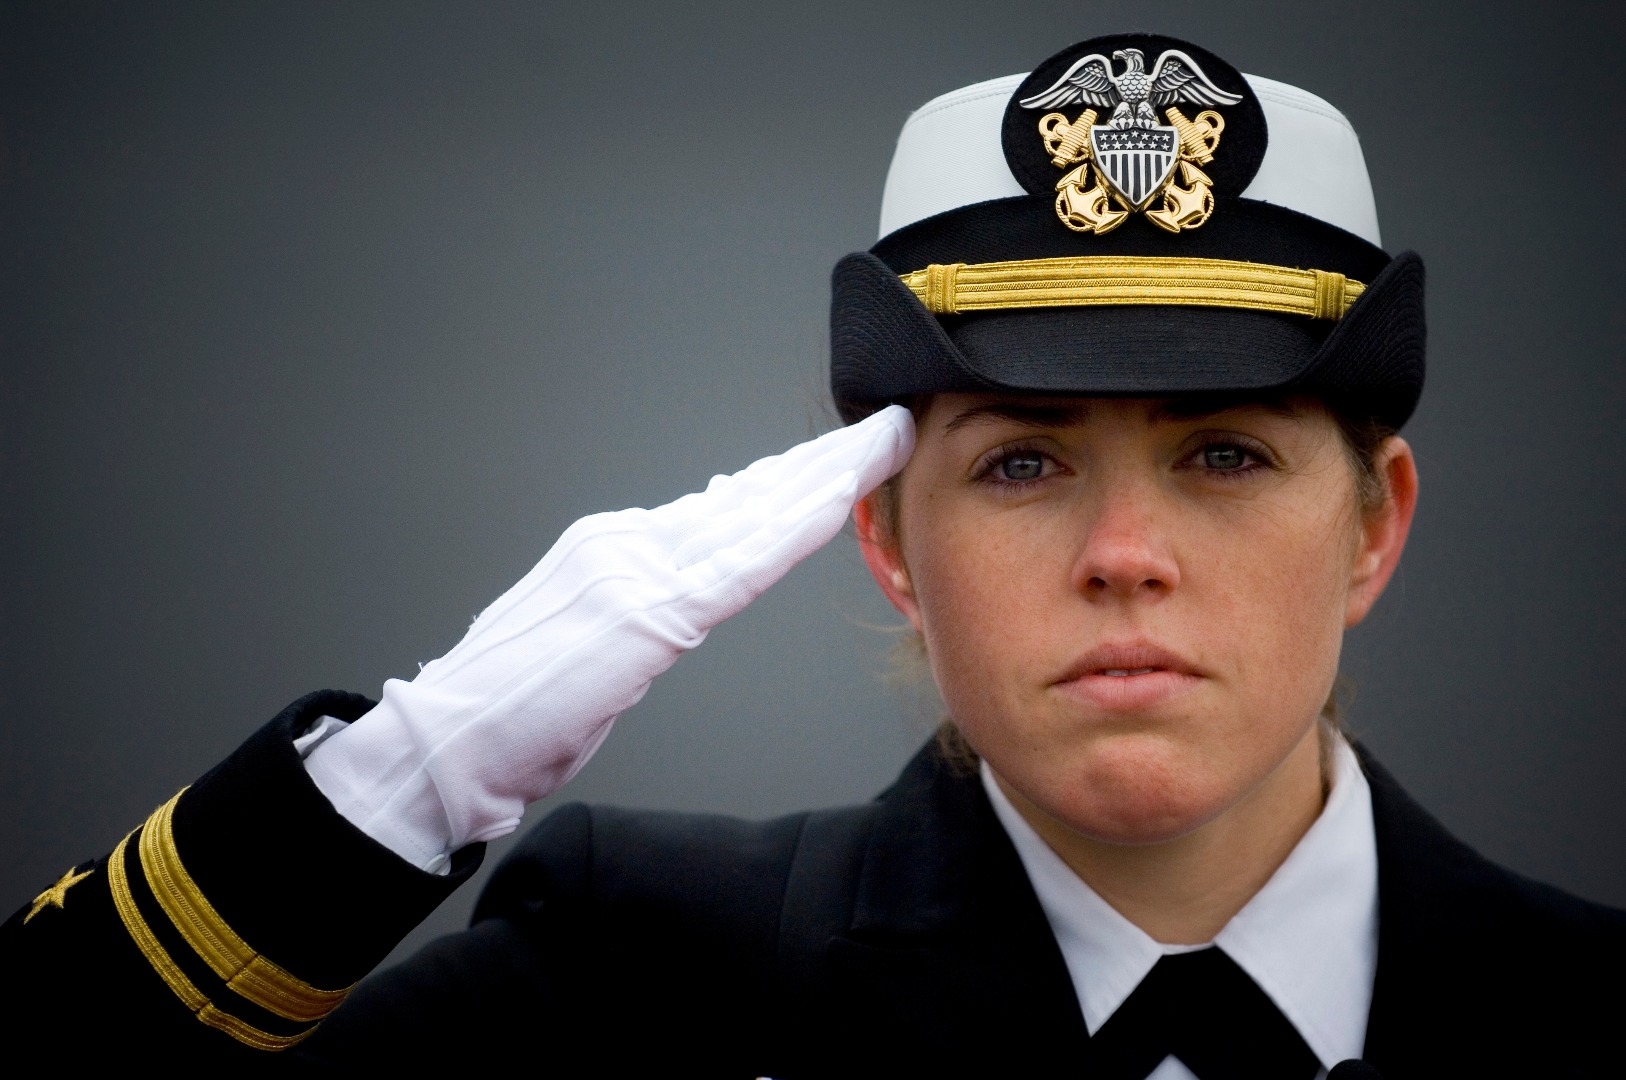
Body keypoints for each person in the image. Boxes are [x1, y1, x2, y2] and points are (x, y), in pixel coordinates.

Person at [4, 32, 1621, 1077]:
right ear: (889, 542)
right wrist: (396, 788)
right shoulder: (627, 991)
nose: (1125, 553)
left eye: (1222, 453)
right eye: (1021, 463)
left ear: (1373, 524)